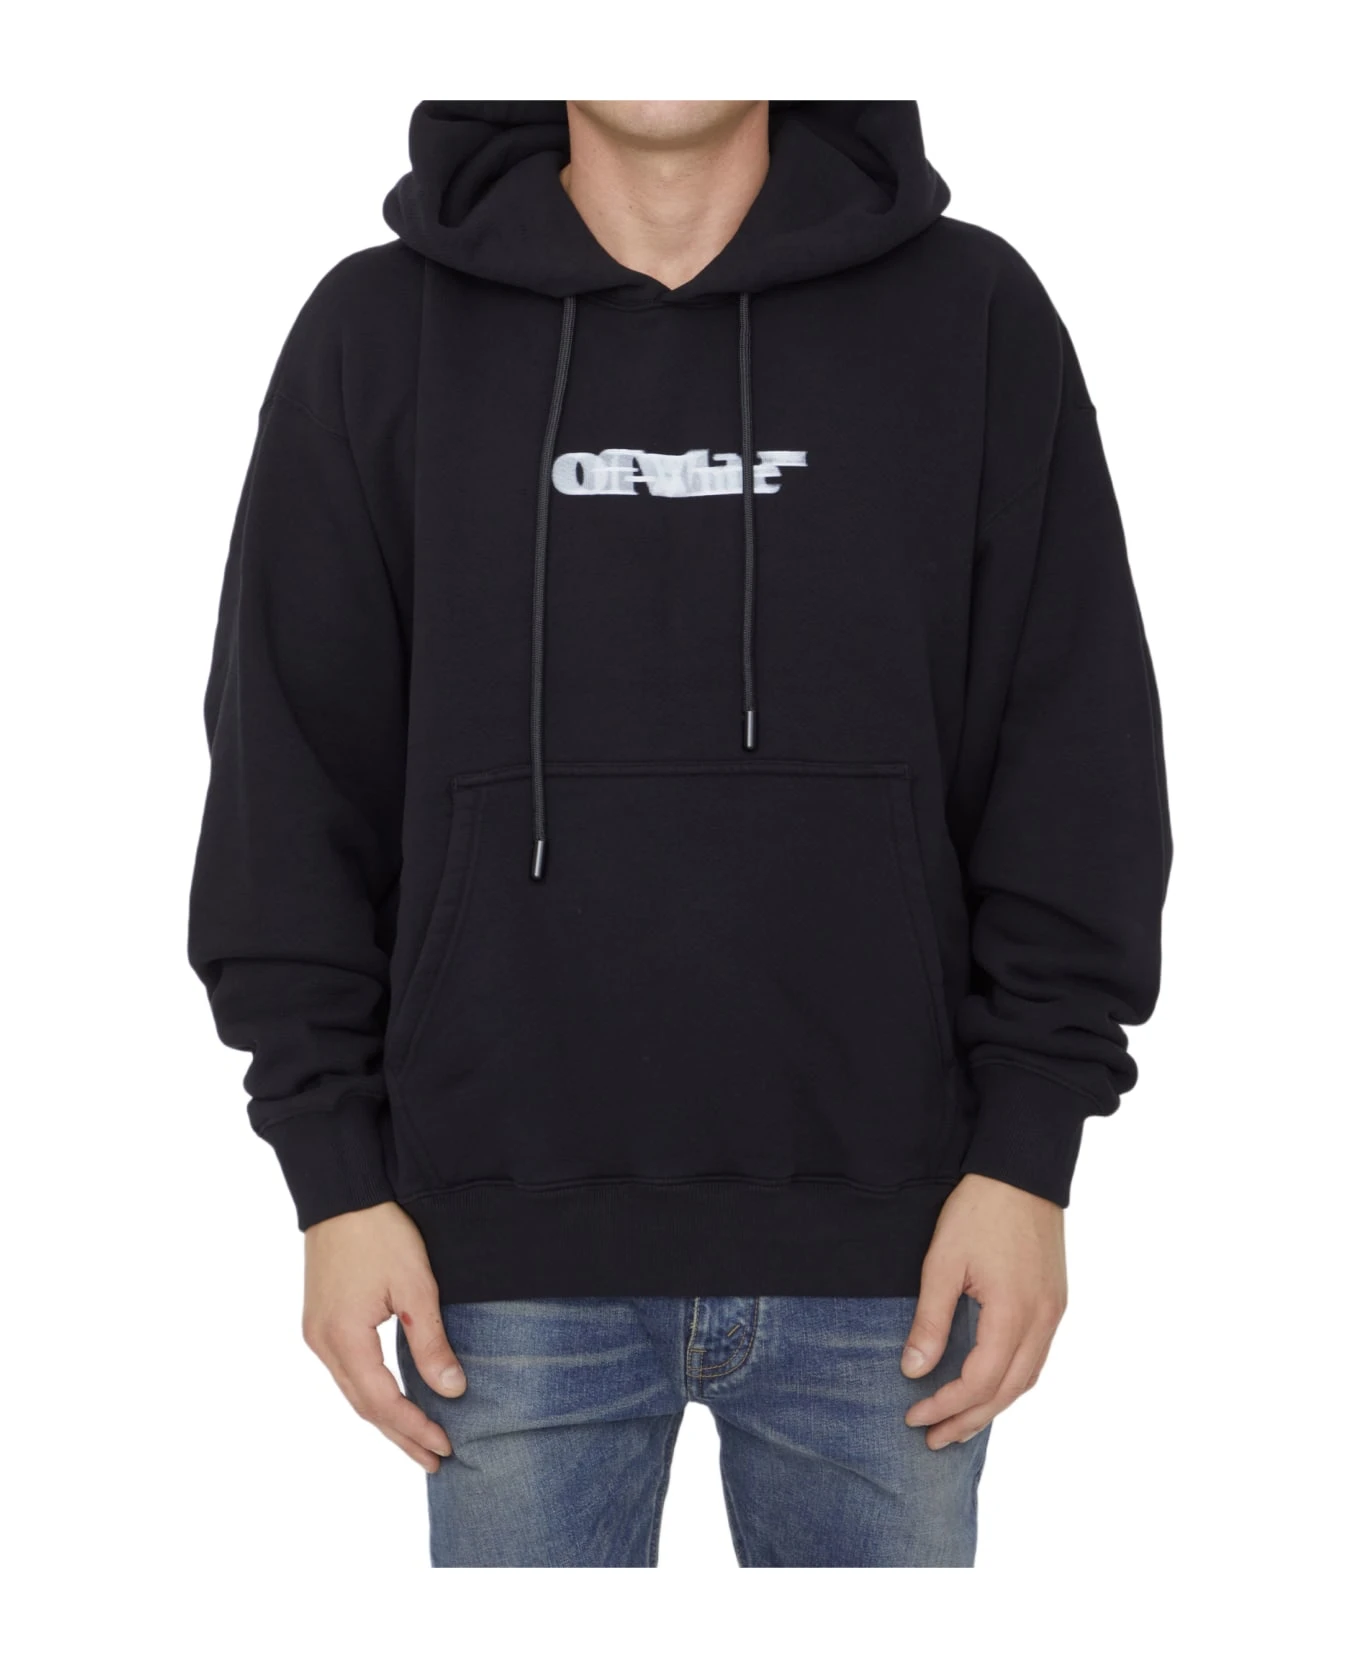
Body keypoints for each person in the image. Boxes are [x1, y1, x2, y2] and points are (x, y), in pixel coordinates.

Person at [188, 99, 1171, 1568]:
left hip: (897, 1252)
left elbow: (1072, 749)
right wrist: (331, 1176)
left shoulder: (970, 313)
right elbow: (290, 773)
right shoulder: (381, 331)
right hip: (495, 1258)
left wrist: (1032, 1150)